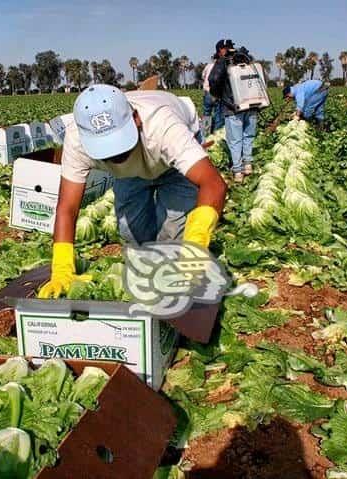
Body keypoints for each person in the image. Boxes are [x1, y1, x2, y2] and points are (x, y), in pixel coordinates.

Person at [38, 85, 228, 299]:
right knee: (131, 232)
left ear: (136, 119)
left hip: (171, 163)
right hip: (129, 173)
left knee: (174, 241)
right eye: (105, 149)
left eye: (119, 144)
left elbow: (213, 184)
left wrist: (196, 242)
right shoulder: (77, 140)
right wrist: (62, 269)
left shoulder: (164, 127)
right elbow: (67, 208)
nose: (115, 154)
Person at [208, 39, 258, 183]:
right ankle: (248, 165)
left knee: (235, 140)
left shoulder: (224, 61)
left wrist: (218, 94)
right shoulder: (247, 59)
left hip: (233, 107)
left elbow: (214, 79)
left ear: (221, 50)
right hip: (252, 104)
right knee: (248, 136)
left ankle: (237, 171)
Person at [201, 54, 224, 134]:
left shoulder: (208, 66)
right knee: (218, 115)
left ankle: (205, 133)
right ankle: (216, 134)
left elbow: (203, 76)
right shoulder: (222, 66)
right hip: (218, 93)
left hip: (207, 92)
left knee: (207, 113)